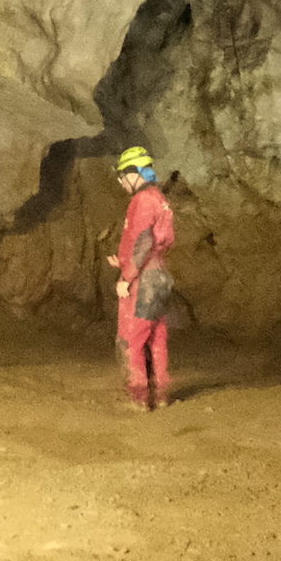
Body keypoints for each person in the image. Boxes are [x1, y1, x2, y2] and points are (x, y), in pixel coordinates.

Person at [103, 146, 176, 410]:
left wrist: (127, 277)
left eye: (123, 176)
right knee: (156, 338)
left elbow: (144, 241)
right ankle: (163, 395)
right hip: (160, 276)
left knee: (131, 339)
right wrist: (122, 261)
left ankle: (139, 399)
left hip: (144, 279)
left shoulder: (143, 200)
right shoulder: (160, 198)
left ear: (135, 173)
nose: (122, 182)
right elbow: (154, 244)